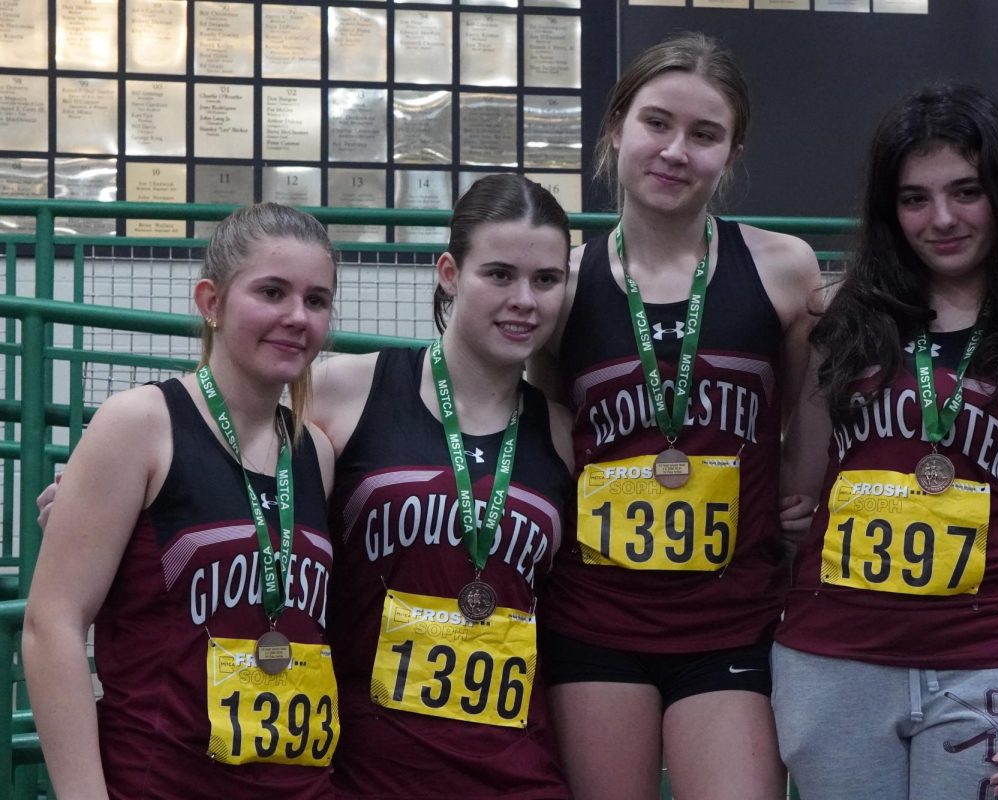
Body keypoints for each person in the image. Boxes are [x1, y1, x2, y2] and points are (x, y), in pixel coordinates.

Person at [770, 82, 998, 799]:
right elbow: (799, 483)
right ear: (887, 208)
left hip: (986, 661)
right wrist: (792, 515)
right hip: (832, 658)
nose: (942, 219)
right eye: (913, 199)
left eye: (966, 191)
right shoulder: (838, 316)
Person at [528, 32, 821, 800]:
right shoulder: (563, 284)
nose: (675, 151)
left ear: (732, 151)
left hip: (734, 619)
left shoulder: (783, 269)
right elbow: (547, 430)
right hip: (595, 617)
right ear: (617, 125)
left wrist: (796, 494)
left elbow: (805, 416)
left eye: (704, 134)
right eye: (657, 123)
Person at [23, 203, 340, 798]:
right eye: (272, 292)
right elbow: (51, 627)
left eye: (316, 300)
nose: (297, 316)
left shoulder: (313, 451)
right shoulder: (141, 424)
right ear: (211, 303)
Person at [311, 174, 576, 798]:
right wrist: (104, 480)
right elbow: (216, 448)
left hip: (517, 773)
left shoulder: (563, 435)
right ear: (450, 274)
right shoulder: (344, 391)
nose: (524, 301)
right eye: (500, 274)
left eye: (546, 280)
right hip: (369, 773)